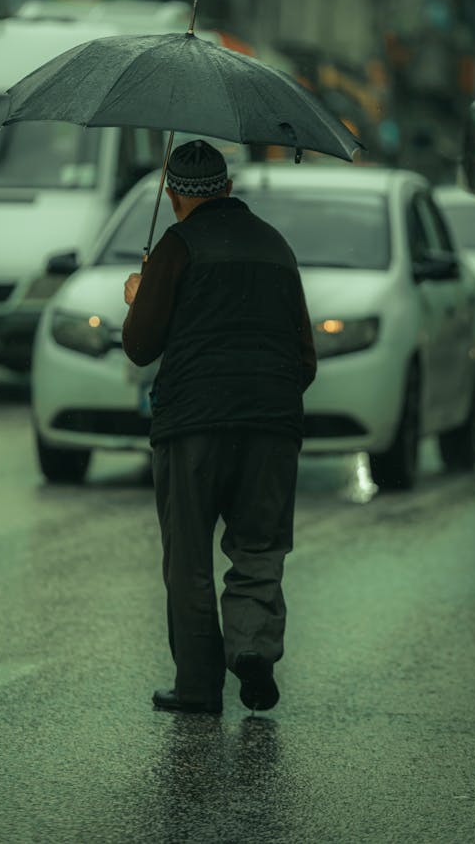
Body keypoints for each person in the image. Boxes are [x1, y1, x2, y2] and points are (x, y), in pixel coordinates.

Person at [122, 138, 317, 715]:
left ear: (172, 193)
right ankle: (253, 650)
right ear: (228, 189)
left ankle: (199, 688)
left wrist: (138, 296)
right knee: (259, 545)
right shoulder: (277, 247)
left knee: (188, 559)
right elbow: (304, 359)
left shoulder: (176, 247)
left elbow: (139, 347)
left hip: (193, 425)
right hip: (273, 422)